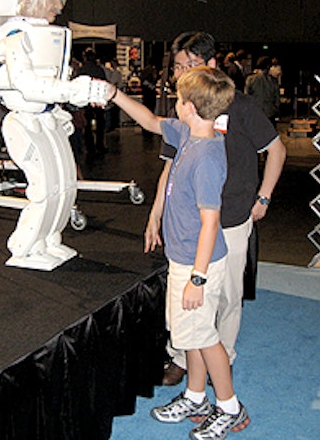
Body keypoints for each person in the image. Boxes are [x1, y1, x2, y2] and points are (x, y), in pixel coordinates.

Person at [109, 65, 249, 439]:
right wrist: (114, 95)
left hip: (197, 265)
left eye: (179, 98)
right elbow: (152, 121)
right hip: (184, 259)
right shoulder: (189, 132)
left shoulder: (205, 158)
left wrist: (197, 280)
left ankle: (230, 407)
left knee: (205, 337)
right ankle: (196, 395)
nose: (174, 102)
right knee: (190, 335)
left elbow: (210, 222)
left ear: (189, 106)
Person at [145, 31, 286, 390]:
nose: (182, 75)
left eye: (190, 66)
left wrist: (264, 197)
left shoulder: (239, 106)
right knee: (185, 298)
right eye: (178, 67)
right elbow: (170, 167)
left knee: (225, 297)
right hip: (190, 226)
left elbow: (276, 149)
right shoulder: (185, 108)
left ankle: (222, 359)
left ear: (211, 65)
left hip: (233, 217)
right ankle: (181, 358)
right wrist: (156, 213)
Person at [0, 0, 109, 270]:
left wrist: (64, 105)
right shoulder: (14, 36)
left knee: (66, 184)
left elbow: (50, 83)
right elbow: (27, 84)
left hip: (47, 117)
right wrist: (73, 92)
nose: (59, 5)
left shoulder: (50, 36)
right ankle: (25, 245)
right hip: (23, 120)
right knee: (44, 188)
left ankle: (49, 240)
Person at [77, 47, 107, 158]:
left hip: (86, 101)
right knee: (100, 125)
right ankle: (100, 145)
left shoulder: (82, 70)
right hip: (98, 101)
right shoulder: (99, 69)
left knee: (87, 126)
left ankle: (90, 147)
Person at [245, 56, 280, 126]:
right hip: (269, 114)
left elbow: (246, 97)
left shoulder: (251, 79)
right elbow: (277, 99)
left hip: (254, 113)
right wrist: (275, 110)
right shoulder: (273, 81)